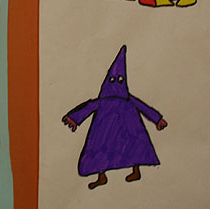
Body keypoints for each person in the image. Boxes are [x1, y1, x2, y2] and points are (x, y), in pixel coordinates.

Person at [62, 45, 167, 189]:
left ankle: (135, 171)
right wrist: (74, 119)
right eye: (112, 80)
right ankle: (102, 176)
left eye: (120, 80)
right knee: (100, 152)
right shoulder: (105, 100)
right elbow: (88, 107)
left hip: (128, 131)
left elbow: (143, 107)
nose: (116, 84)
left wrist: (157, 119)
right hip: (105, 134)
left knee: (135, 147)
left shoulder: (127, 99)